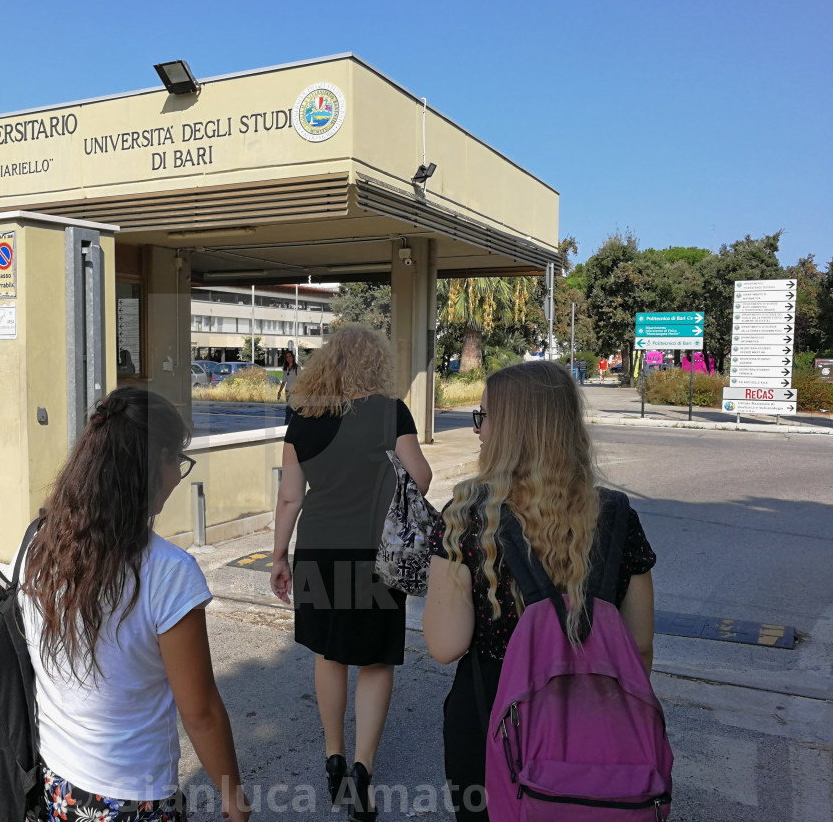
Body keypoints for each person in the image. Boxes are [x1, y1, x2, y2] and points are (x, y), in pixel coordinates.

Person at [422, 361, 656, 822]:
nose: (478, 431)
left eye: (483, 417)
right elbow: (641, 646)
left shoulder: (466, 517)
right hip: (598, 719)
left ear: (509, 429)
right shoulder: (616, 516)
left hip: (493, 717)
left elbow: (444, 646)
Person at [17, 387, 249, 822]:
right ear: (152, 465)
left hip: (56, 781)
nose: (178, 476)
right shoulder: (169, 573)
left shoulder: (36, 543)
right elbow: (200, 711)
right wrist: (233, 798)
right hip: (133, 796)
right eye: (176, 461)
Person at [269, 324, 433, 822]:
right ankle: (362, 771)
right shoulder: (391, 412)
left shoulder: (303, 416)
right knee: (375, 661)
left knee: (330, 652)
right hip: (375, 554)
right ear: (375, 363)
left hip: (318, 551)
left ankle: (333, 756)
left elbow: (290, 496)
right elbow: (422, 478)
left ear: (329, 363)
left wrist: (278, 555)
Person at [277, 350, 301, 426]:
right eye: (287, 357)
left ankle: (287, 424)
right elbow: (284, 381)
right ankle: (291, 425)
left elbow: (301, 380)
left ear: (293, 357)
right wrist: (279, 391)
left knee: (290, 409)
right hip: (287, 391)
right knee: (291, 408)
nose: (288, 358)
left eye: (290, 356)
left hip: (295, 392)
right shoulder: (285, 368)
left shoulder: (297, 368)